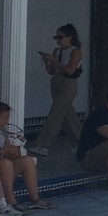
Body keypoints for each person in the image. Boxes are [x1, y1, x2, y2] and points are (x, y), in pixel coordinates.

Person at [0, 102, 51, 210]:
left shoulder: (2, 133)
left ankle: (35, 199)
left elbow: (9, 155)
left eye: (7, 117)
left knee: (27, 160)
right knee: (5, 163)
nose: (6, 121)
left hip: (4, 173)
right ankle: (11, 202)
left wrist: (14, 152)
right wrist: (3, 151)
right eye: (2, 118)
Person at [29, 24, 85, 157]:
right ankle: (81, 142)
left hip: (69, 82)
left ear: (70, 37)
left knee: (56, 113)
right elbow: (51, 71)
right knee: (67, 113)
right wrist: (47, 61)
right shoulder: (57, 51)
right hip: (56, 80)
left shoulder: (75, 51)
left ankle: (43, 145)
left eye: (60, 37)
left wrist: (54, 60)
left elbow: (70, 70)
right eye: (56, 37)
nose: (58, 40)